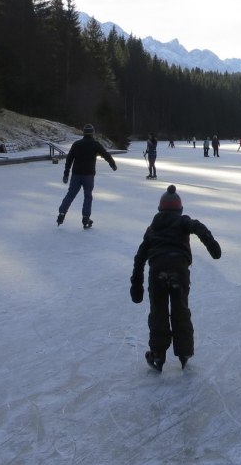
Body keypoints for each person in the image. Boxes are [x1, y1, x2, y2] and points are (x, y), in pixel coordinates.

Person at [129, 185, 222, 371]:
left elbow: (140, 257)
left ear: (160, 209)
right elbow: (198, 227)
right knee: (180, 308)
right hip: (179, 270)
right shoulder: (183, 221)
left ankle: (157, 354)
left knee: (158, 311)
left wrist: (136, 286)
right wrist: (212, 245)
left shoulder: (152, 228)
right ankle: (184, 352)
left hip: (157, 272)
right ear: (179, 209)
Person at [57, 124, 117, 228]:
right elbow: (105, 154)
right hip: (88, 175)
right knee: (88, 196)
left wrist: (66, 173)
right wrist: (112, 164)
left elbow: (69, 159)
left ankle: (62, 213)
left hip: (76, 174)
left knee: (71, 194)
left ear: (84, 133)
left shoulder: (76, 144)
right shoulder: (95, 144)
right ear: (92, 133)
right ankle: (85, 218)